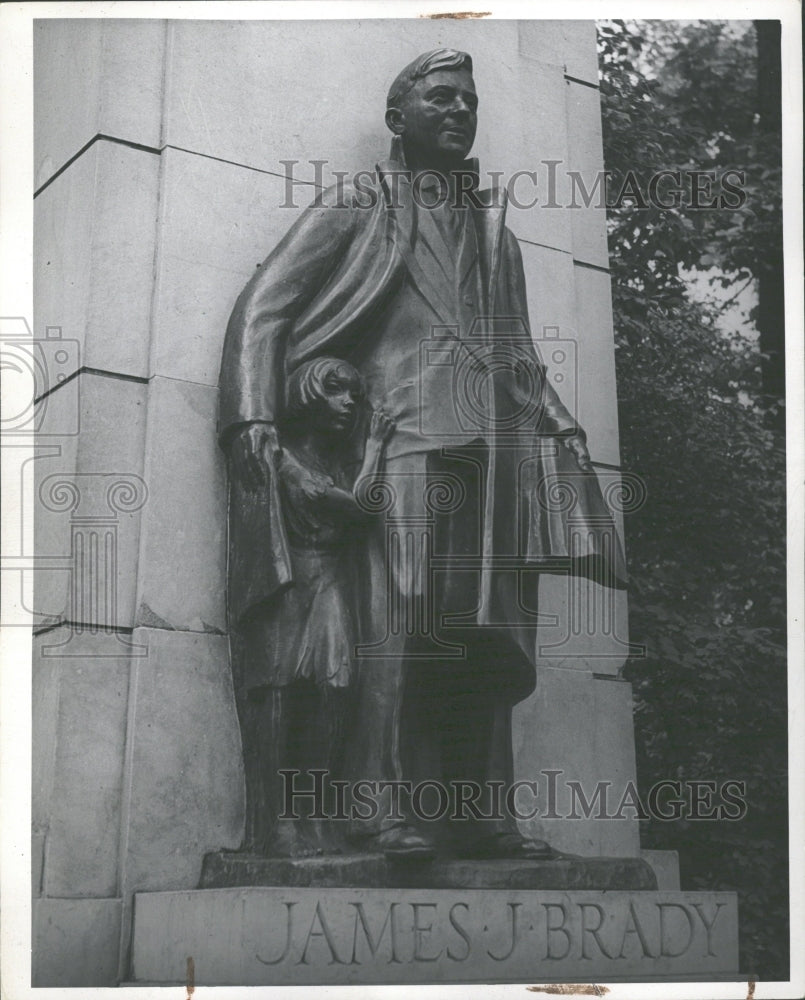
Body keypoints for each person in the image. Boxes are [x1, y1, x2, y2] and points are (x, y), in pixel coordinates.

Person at [219, 49, 625, 862]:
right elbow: (262, 309)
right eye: (440, 98)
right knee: (397, 630)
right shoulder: (358, 204)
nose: (458, 111)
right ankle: (373, 804)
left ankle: (477, 812)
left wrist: (564, 427)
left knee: (486, 639)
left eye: (468, 100)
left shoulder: (491, 230)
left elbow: (514, 354)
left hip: (492, 456)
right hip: (400, 443)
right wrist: (252, 423)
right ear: (398, 119)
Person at [234, 356, 395, 857]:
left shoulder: (338, 462)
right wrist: (376, 448)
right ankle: (276, 820)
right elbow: (356, 507)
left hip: (330, 581)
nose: (349, 401)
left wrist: (365, 457)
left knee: (334, 689)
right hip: (289, 583)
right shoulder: (283, 455)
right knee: (281, 692)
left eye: (355, 393)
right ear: (307, 393)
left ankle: (316, 812)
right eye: (336, 389)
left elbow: (364, 510)